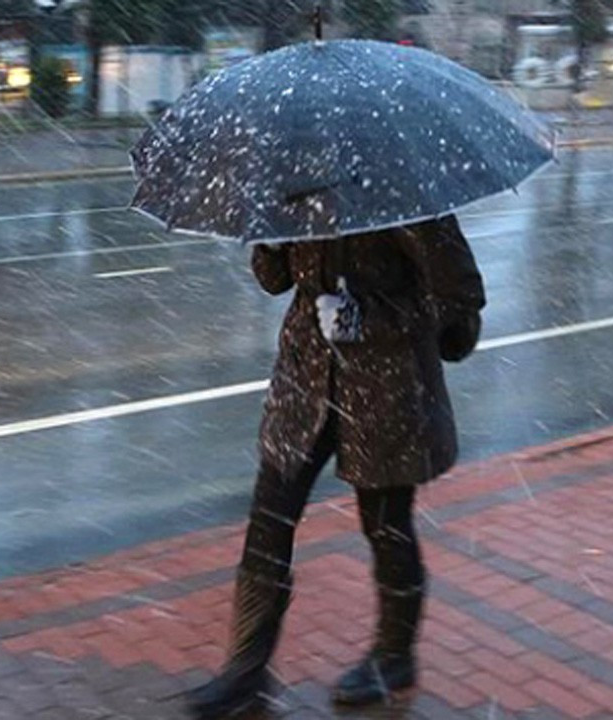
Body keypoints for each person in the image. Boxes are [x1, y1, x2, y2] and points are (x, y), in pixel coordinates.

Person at [187, 215, 486, 718]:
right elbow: (274, 278)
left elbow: (460, 304)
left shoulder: (405, 202)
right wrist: (272, 232)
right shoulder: (297, 191)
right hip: (305, 382)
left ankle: (394, 657)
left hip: (384, 392)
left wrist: (367, 320)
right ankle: (246, 672)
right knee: (269, 519)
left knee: (386, 526)